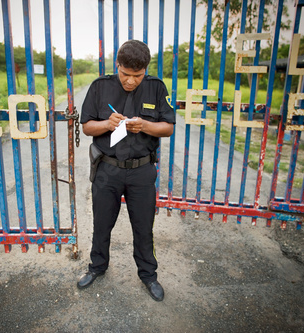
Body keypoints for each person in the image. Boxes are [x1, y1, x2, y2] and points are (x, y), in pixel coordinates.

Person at [77, 40, 175, 302]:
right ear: (117, 65)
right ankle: (97, 267)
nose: (130, 81)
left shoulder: (156, 88)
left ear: (145, 70)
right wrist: (107, 124)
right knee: (102, 224)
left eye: (137, 76)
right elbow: (86, 127)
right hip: (107, 170)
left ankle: (148, 275)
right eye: (125, 74)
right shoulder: (100, 87)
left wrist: (144, 125)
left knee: (144, 227)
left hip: (142, 171)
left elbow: (168, 127)